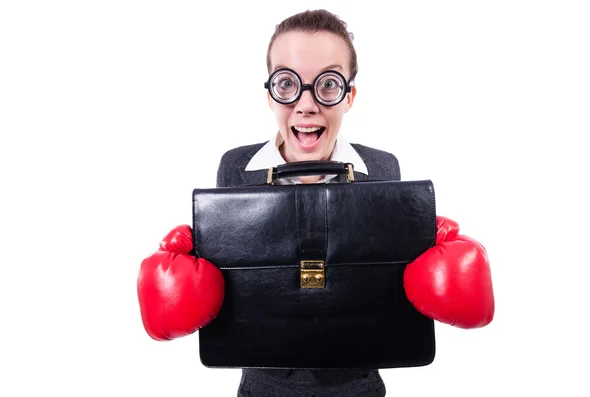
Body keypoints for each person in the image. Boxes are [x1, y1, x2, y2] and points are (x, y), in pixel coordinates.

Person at [137, 9, 495, 397]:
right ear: (270, 94)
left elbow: (394, 294)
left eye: (327, 85)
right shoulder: (236, 169)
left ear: (349, 96)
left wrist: (438, 263)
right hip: (262, 389)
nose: (306, 105)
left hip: (358, 389)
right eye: (288, 84)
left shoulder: (382, 168)